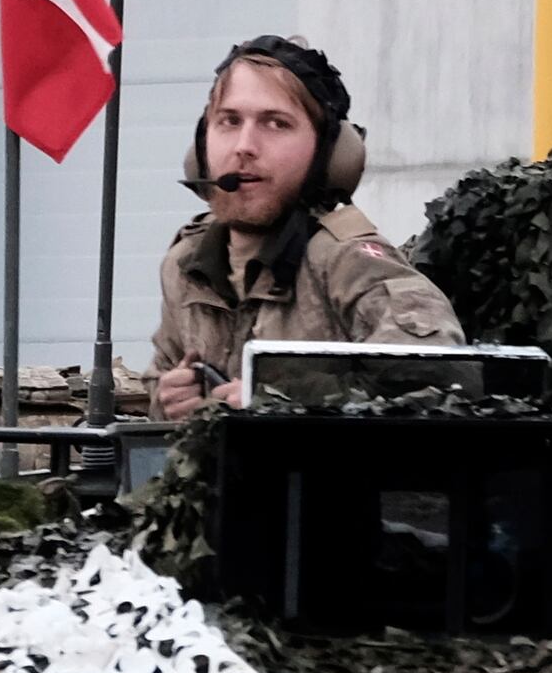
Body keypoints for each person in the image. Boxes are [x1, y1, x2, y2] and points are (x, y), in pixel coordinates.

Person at [147, 37, 459, 418]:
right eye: (229, 121)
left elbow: (439, 375)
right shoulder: (186, 264)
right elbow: (160, 378)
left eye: (275, 124)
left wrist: (290, 399)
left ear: (327, 155)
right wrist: (169, 401)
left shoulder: (344, 258)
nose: (244, 146)